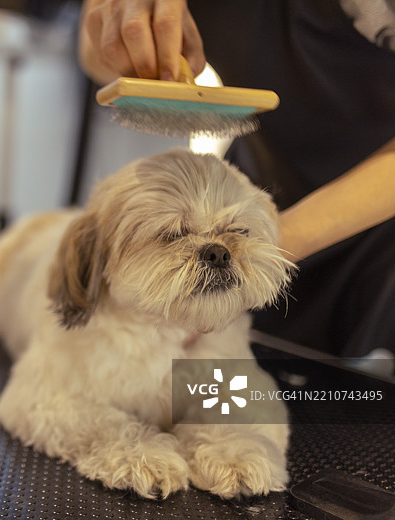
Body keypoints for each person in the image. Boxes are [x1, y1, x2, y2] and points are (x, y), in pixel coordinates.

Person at [77, 0, 395, 359]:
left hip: (375, 232)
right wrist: (128, 37)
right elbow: (92, 53)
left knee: (352, 402)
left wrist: (267, 240)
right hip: (246, 198)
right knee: (225, 398)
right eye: (172, 234)